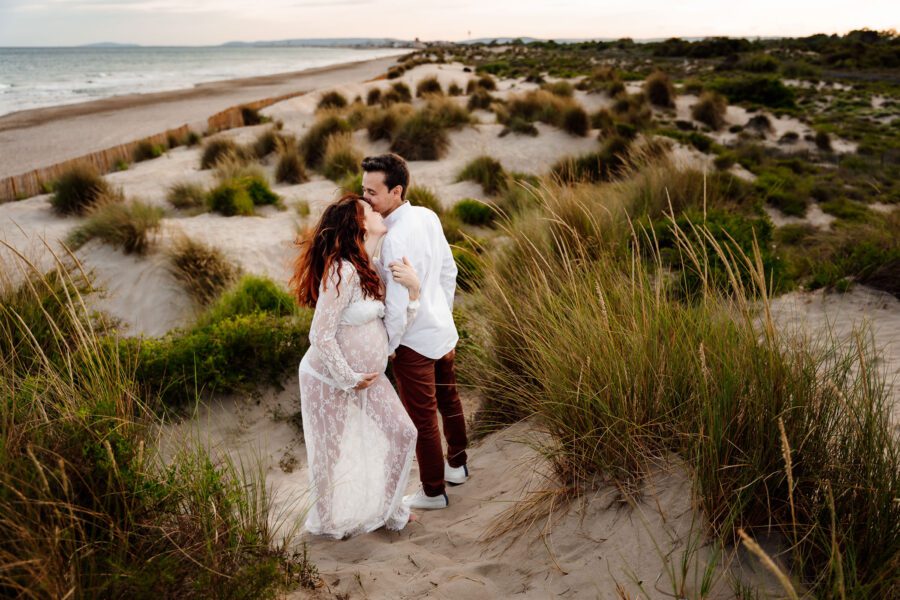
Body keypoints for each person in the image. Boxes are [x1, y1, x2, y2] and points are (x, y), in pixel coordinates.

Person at [290, 194, 421, 539]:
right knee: (328, 452)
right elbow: (319, 335)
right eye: (372, 210)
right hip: (326, 377)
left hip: (369, 378)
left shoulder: (372, 268)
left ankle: (390, 509)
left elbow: (391, 334)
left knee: (403, 433)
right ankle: (326, 523)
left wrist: (414, 292)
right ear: (359, 223)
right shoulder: (342, 269)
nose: (380, 213)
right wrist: (347, 378)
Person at [361, 153, 469, 511]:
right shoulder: (428, 215)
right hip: (441, 330)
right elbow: (449, 272)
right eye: (363, 190)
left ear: (396, 191)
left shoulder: (392, 239)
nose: (365, 199)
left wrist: (390, 347)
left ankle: (433, 491)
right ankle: (458, 466)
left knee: (422, 419)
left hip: (412, 343)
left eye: (372, 192)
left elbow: (395, 307)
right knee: (449, 400)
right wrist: (442, 313)